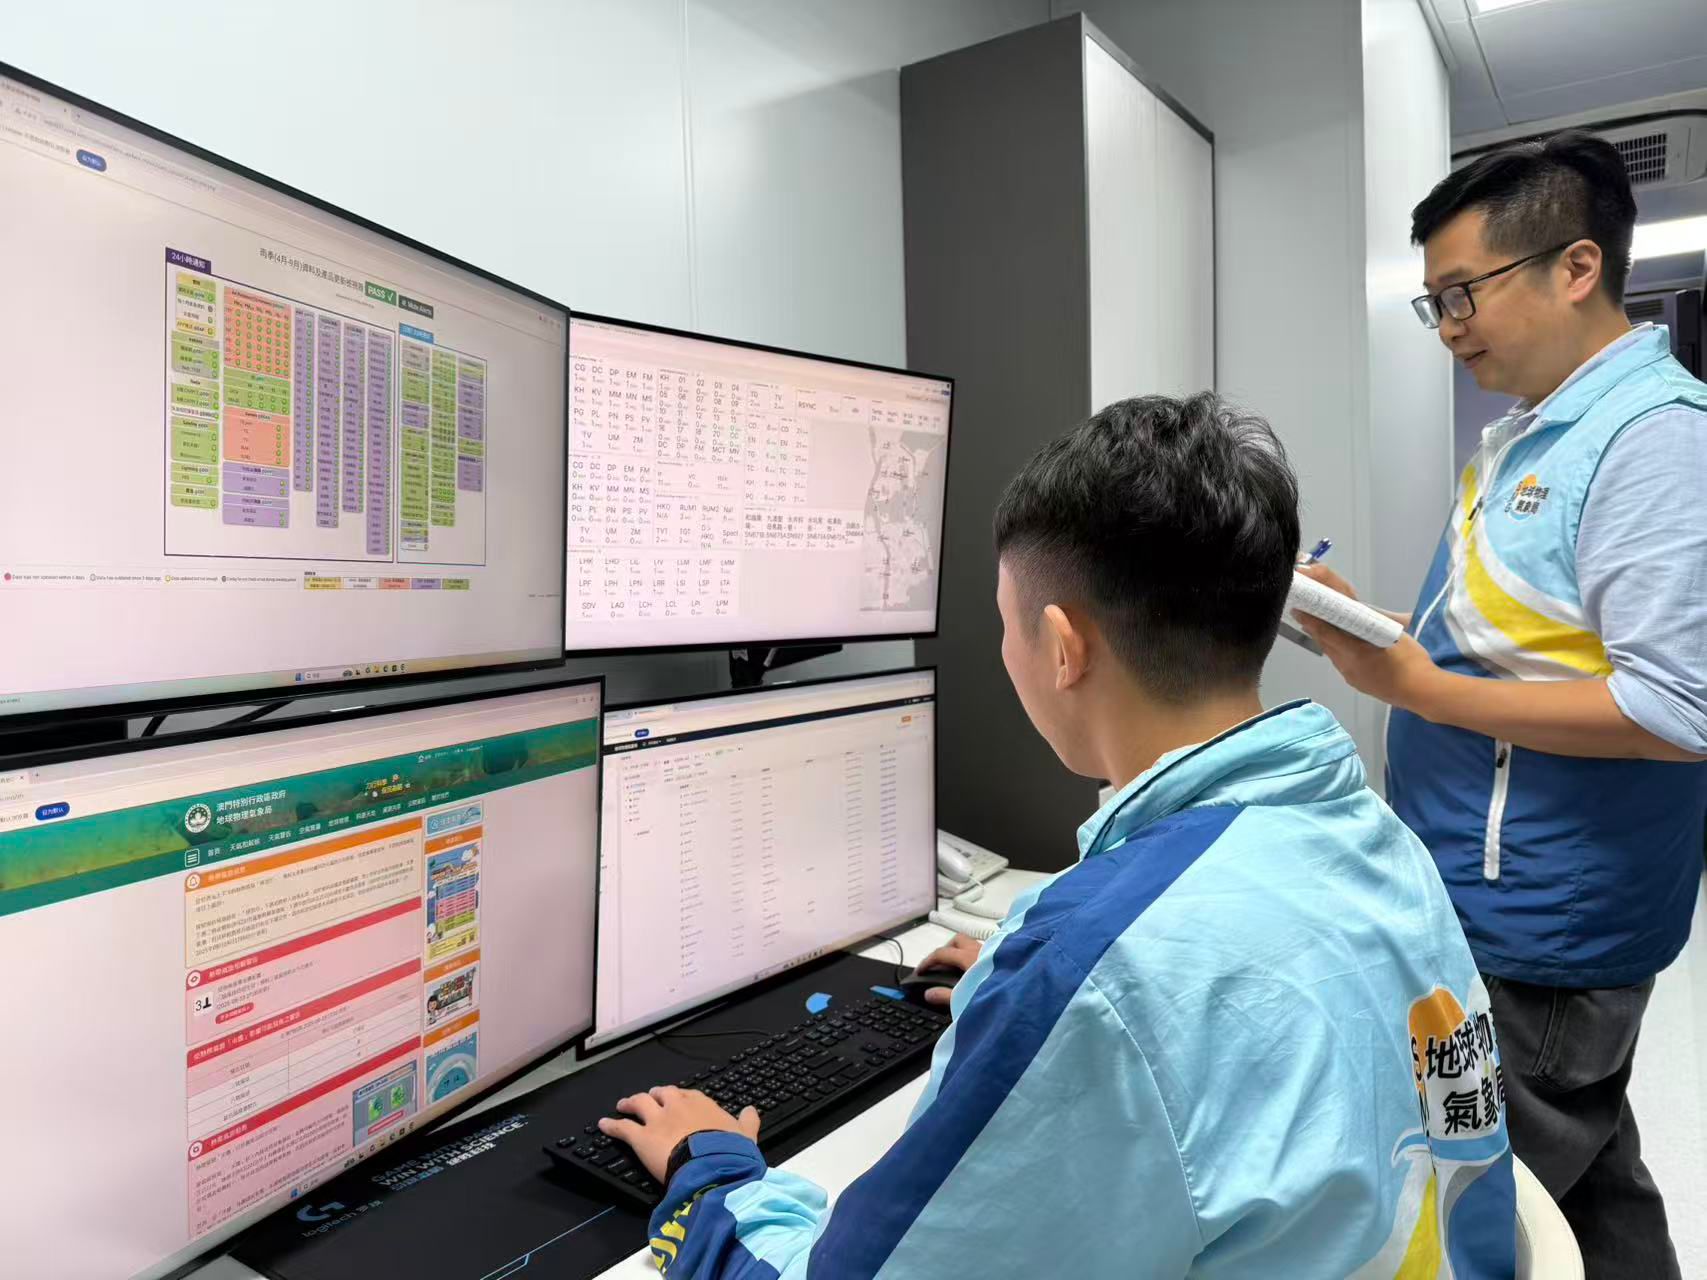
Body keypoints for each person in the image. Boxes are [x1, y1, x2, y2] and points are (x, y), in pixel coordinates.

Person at [598, 393, 1515, 1278]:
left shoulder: (1098, 976)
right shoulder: (1366, 829)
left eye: (1006, 626)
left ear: (1062, 646)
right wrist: (1029, 984)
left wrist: (709, 1168)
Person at [1295, 130, 1707, 1280]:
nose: (1450, 326)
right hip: (1499, 902)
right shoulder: (1532, 433)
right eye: (1436, 303)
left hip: (1544, 925)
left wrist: (1416, 686)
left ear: (1577, 267)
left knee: (1485, 1206)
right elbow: (1510, 647)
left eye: (1462, 293)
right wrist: (1370, 627)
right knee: (1593, 1166)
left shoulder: (1654, 441)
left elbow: (1680, 708)